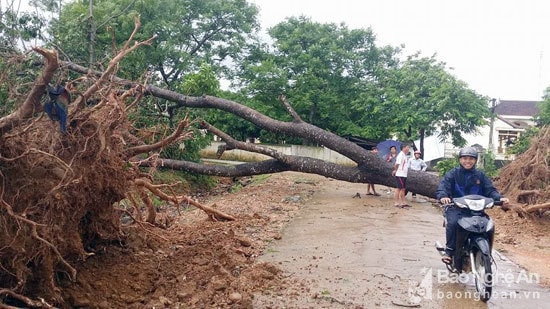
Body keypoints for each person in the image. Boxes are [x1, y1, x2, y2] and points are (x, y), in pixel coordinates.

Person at [435, 146, 509, 264]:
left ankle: (486, 253)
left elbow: (490, 190)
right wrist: (443, 196)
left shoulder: (480, 176)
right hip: (456, 208)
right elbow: (443, 187)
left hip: (476, 210)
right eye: (465, 158)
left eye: (471, 159)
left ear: (475, 160)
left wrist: (499, 198)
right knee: (453, 223)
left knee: (488, 224)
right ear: (460, 159)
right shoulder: (453, 174)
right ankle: (449, 251)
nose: (467, 161)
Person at [391, 144, 410, 208]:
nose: (408, 149)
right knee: (398, 188)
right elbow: (396, 164)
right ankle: (396, 203)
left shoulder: (405, 155)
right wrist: (395, 170)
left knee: (403, 189)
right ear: (404, 148)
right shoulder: (400, 155)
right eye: (407, 147)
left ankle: (403, 202)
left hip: (404, 174)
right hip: (400, 174)